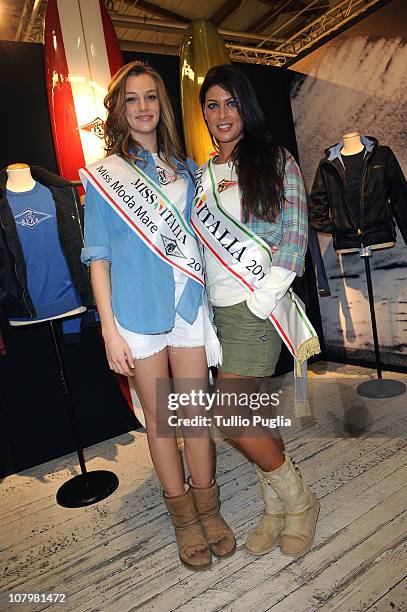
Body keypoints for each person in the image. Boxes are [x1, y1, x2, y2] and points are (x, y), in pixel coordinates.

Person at [80, 61, 235, 571]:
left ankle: (208, 506)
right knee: (163, 422)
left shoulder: (185, 168)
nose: (143, 107)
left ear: (161, 105)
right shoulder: (106, 176)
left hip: (187, 307)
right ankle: (184, 521)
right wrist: (107, 328)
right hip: (135, 314)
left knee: (194, 413)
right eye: (132, 99)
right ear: (120, 110)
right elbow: (97, 254)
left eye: (150, 97)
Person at [192, 64, 320, 557]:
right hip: (219, 311)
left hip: (257, 305)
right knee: (250, 415)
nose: (222, 114)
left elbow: (295, 231)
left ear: (246, 106)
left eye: (230, 103)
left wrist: (268, 290)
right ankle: (276, 506)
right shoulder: (201, 172)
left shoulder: (275, 159)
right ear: (203, 112)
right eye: (212, 104)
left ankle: (300, 500)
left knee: (228, 411)